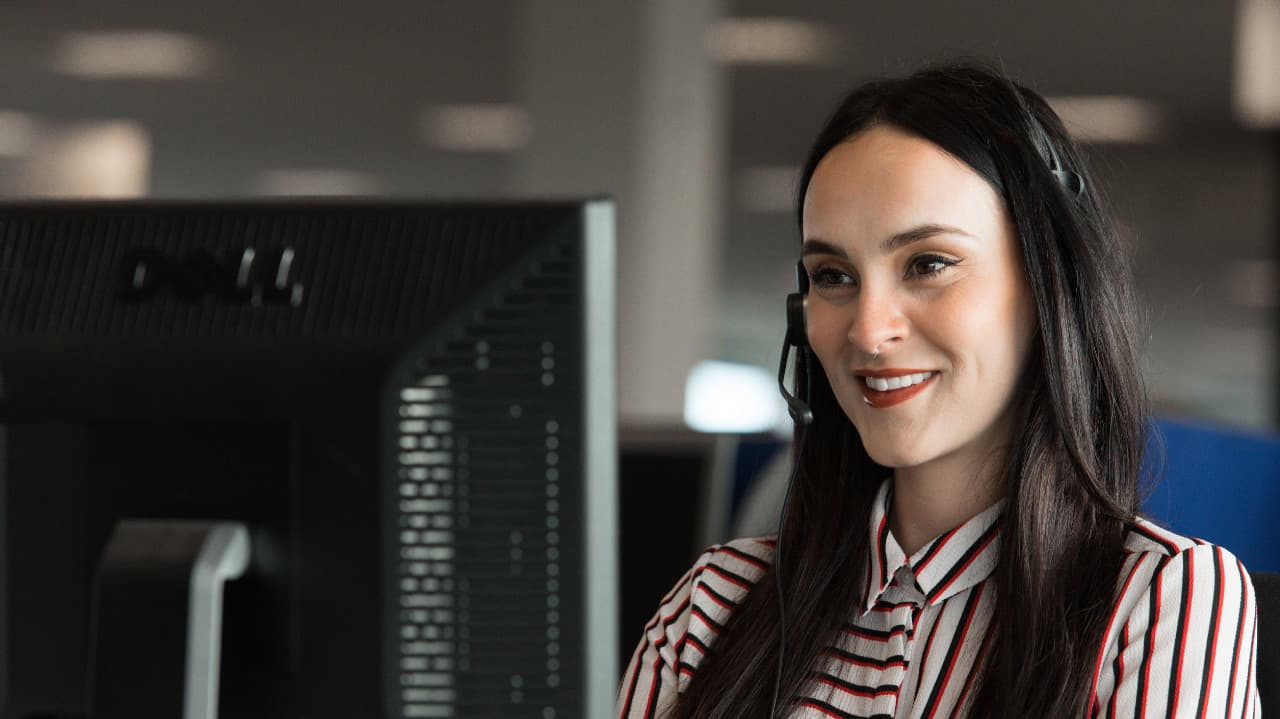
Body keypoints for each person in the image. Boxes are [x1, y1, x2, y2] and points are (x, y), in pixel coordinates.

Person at [617, 63, 1261, 719]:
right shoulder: (713, 607)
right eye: (833, 274)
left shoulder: (1159, 599)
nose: (869, 330)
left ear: (1047, 290)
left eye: (927, 264)